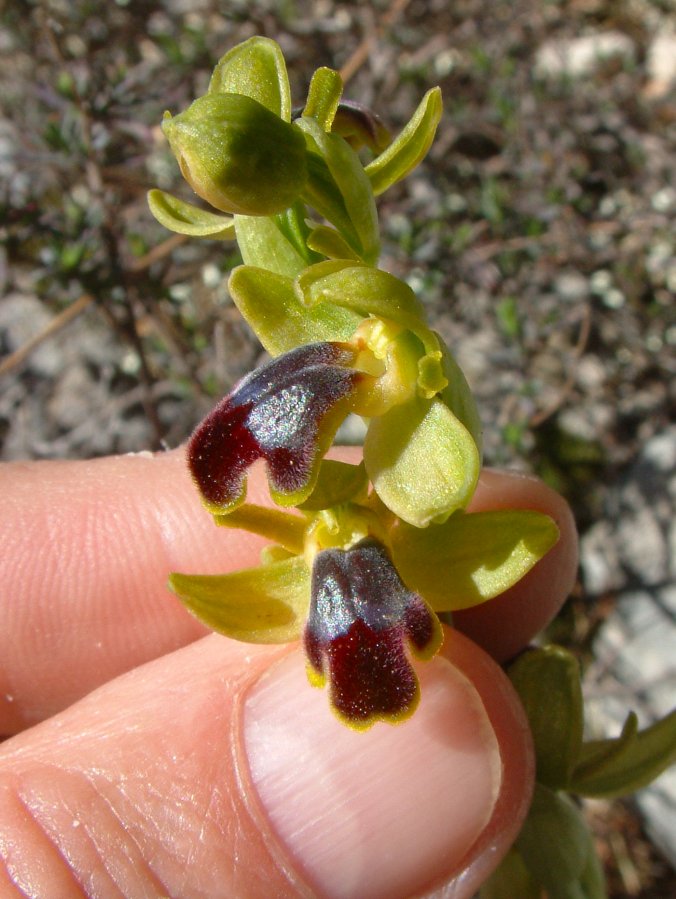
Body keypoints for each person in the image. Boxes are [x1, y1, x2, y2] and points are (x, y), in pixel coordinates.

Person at [0, 447, 577, 898]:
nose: (340, 533)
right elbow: (521, 539)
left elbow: (519, 540)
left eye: (351, 519)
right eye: (324, 523)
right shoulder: (307, 574)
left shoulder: (388, 555)